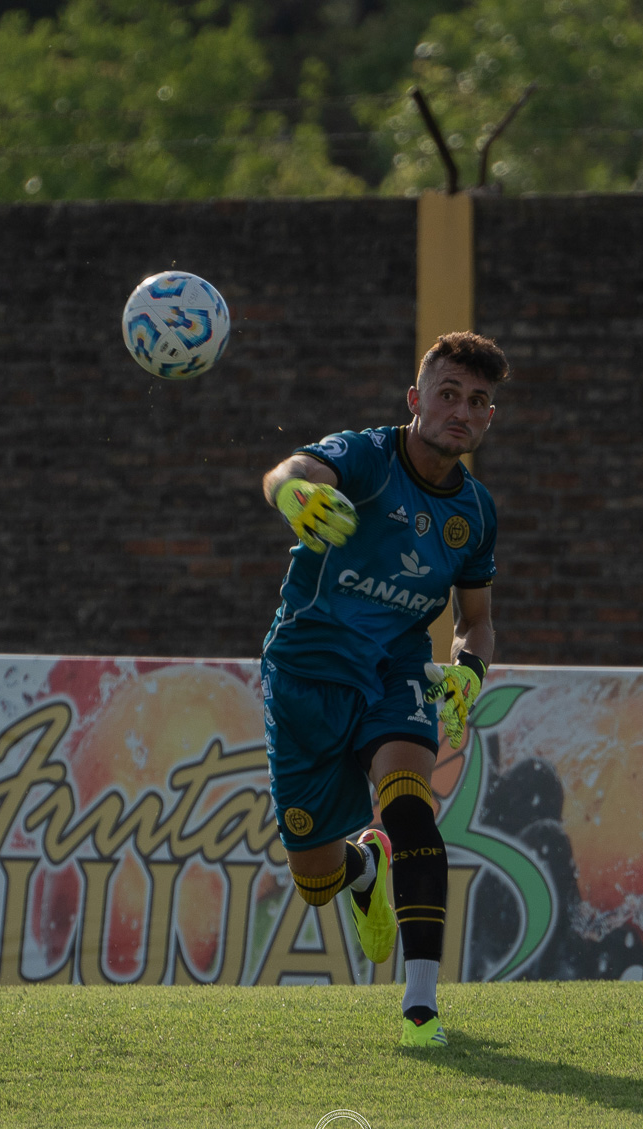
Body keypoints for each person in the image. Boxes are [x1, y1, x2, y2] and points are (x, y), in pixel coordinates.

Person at [259, 331, 505, 1047]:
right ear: (415, 400)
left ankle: (421, 1008)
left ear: (490, 419)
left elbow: (477, 622)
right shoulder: (366, 458)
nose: (462, 410)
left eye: (479, 401)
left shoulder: (477, 513)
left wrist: (469, 670)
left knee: (413, 812)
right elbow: (289, 469)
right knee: (316, 881)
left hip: (394, 669)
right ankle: (361, 867)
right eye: (449, 393)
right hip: (305, 674)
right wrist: (295, 495)